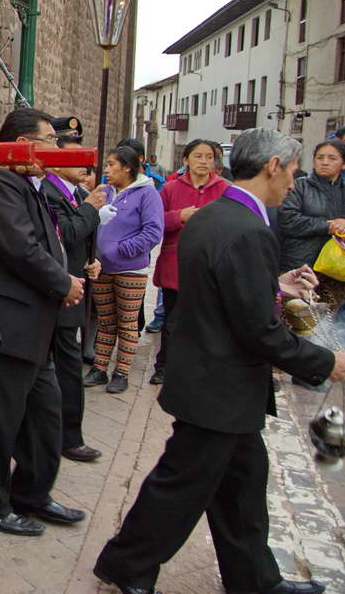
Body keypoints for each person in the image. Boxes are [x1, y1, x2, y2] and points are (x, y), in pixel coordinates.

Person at [94, 127, 345, 594]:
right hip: (218, 389)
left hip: (215, 383)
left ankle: (254, 580)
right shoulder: (247, 229)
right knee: (180, 486)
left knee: (242, 489)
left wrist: (275, 285)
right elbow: (257, 329)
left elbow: (227, 290)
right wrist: (322, 360)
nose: (293, 182)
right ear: (272, 167)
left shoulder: (218, 215)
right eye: (293, 171)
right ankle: (126, 564)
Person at [0, 108, 86, 537]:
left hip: (38, 322)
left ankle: (32, 493)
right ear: (21, 144)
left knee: (45, 416)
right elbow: (21, 247)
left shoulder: (27, 183)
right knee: (0, 422)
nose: (56, 148)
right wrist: (63, 282)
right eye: (50, 140)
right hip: (13, 320)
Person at [40, 118, 107, 461]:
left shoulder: (77, 194)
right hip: (58, 292)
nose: (83, 164)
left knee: (66, 366)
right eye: (73, 156)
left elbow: (81, 241)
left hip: (76, 287)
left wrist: (91, 262)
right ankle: (67, 436)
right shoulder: (49, 193)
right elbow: (65, 234)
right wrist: (91, 209)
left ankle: (66, 433)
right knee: (65, 368)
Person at [148, 140, 229, 385]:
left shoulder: (224, 189)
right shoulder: (170, 188)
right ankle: (165, 366)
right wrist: (179, 216)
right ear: (186, 160)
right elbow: (154, 221)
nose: (204, 161)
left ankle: (200, 368)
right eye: (198, 156)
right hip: (176, 264)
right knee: (173, 320)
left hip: (210, 265)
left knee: (206, 321)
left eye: (209, 157)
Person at [84, 146, 162, 394]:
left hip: (130, 269)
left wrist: (121, 249)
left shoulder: (147, 194)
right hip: (101, 267)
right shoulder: (105, 192)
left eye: (111, 164)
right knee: (106, 321)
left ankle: (121, 373)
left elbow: (153, 231)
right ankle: (99, 368)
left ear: (127, 167)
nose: (106, 170)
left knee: (127, 323)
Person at [277, 139, 345, 311]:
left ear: (344, 164)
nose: (325, 162)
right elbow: (287, 219)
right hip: (301, 265)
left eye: (332, 158)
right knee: (295, 317)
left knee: (328, 319)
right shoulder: (299, 186)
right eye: (320, 157)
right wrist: (326, 226)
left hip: (337, 270)